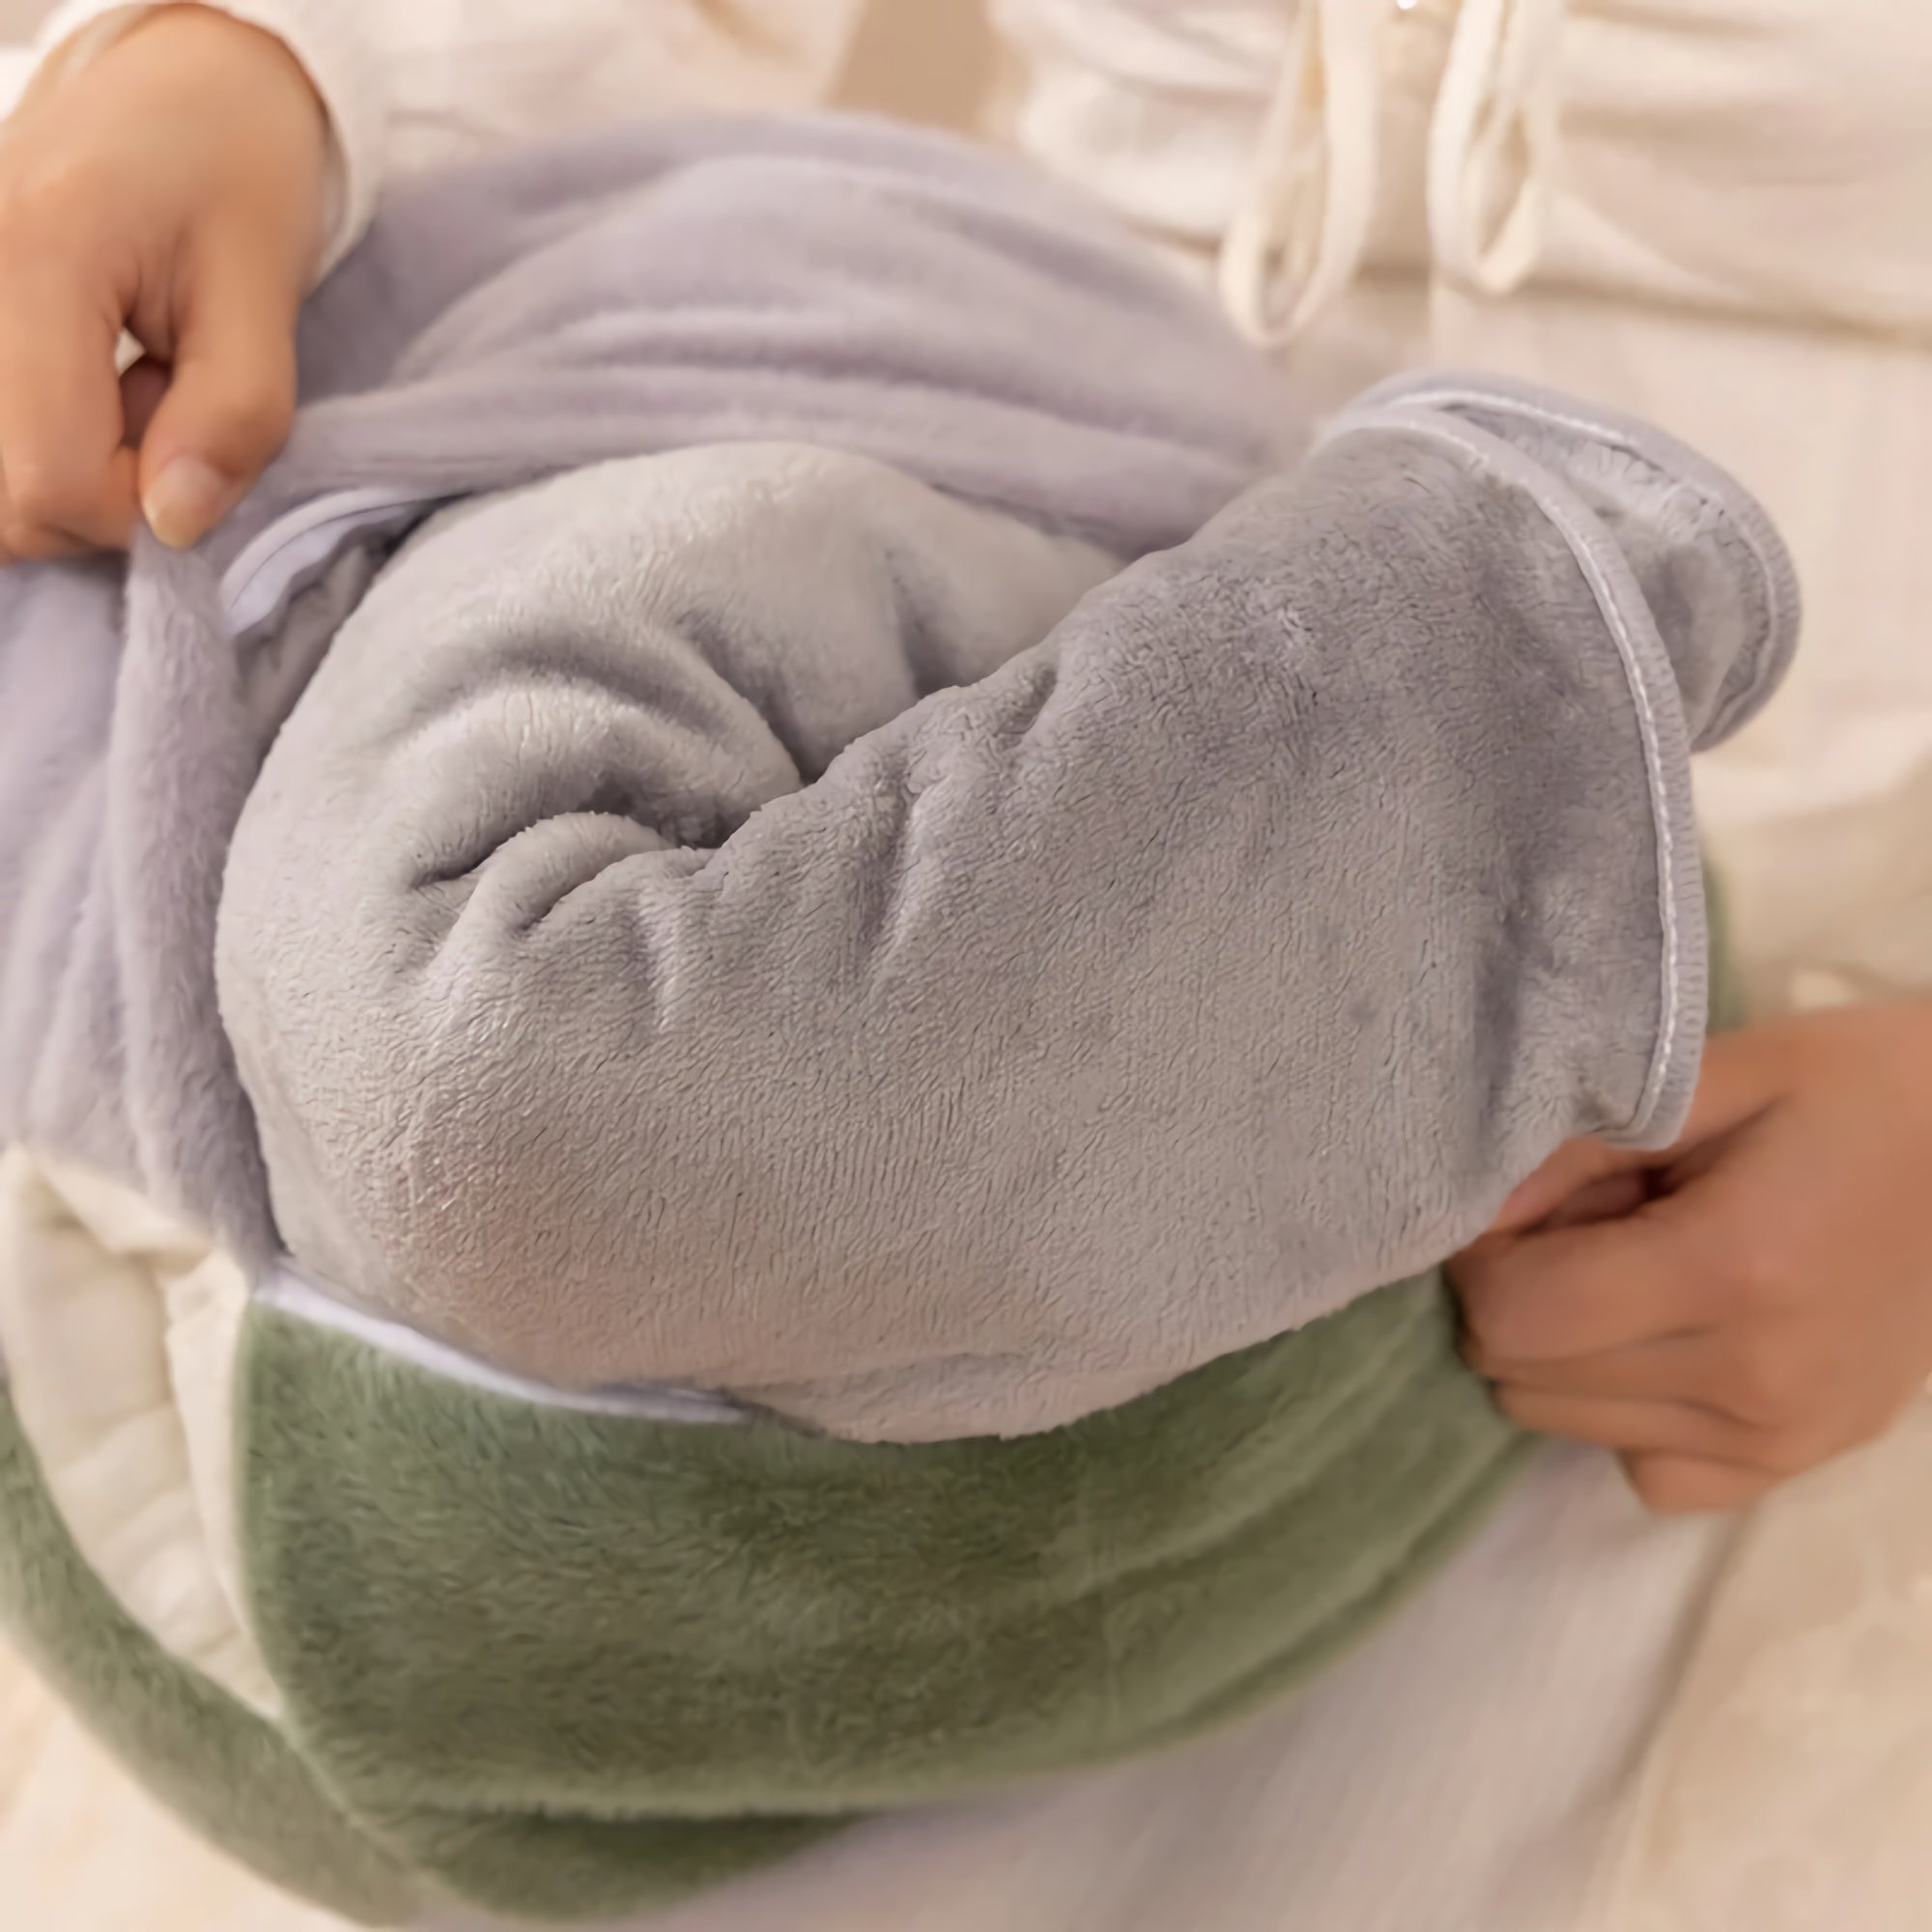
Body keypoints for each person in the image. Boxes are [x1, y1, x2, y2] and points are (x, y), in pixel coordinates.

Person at [1, 3, 1927, 1926]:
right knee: (386, 1184)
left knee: (459, 1152)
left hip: (1760, 1114)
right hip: (867, 442)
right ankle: (1501, 654)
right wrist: (250, 69)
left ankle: (1519, 657)